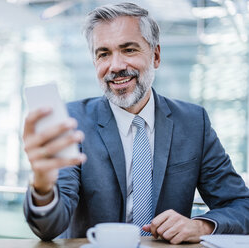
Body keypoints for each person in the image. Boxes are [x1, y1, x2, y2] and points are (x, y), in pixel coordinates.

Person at [22, 2, 249, 244]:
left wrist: (200, 226)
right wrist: (43, 186)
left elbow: (240, 206)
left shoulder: (193, 123)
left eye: (129, 50)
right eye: (104, 54)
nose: (116, 66)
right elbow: (48, 228)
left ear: (156, 56)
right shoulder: (72, 122)